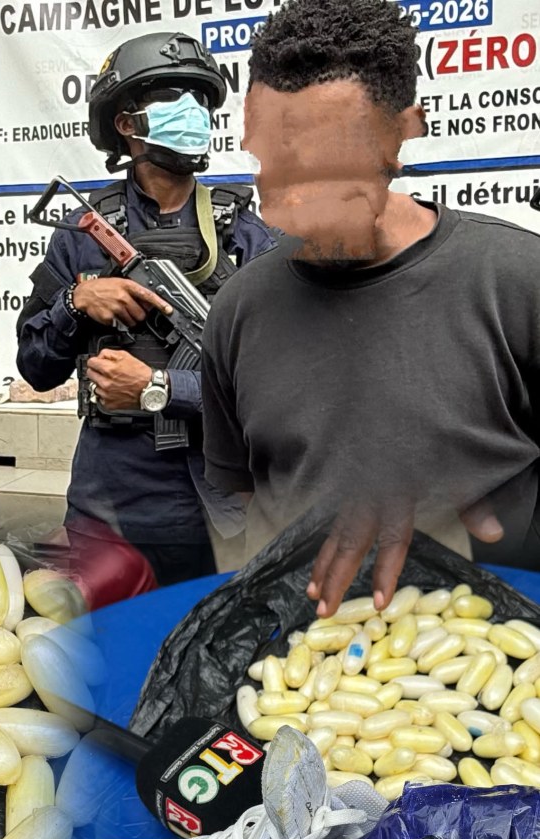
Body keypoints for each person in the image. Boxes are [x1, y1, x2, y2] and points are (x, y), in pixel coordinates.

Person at [199, 0, 540, 615]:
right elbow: (248, 494)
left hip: (482, 651)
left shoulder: (518, 282)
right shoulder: (237, 310)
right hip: (291, 657)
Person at [16, 32, 277, 588]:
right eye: (169, 96)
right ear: (125, 123)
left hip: (219, 510)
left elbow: (276, 387)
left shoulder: (244, 235)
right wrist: (76, 303)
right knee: (112, 639)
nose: (192, 111)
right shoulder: (85, 232)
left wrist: (160, 387)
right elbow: (36, 368)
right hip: (109, 507)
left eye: (200, 98)